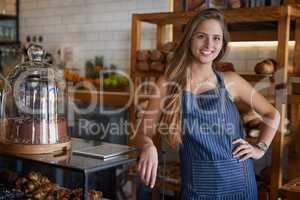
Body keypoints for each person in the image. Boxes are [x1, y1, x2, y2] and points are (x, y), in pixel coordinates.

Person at [135, 8, 280, 199]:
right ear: (189, 39)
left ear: (222, 43)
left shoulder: (231, 81)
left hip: (240, 184)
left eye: (216, 38)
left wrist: (259, 148)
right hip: (196, 188)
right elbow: (142, 132)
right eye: (201, 36)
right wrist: (147, 145)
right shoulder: (167, 83)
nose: (209, 44)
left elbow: (272, 114)